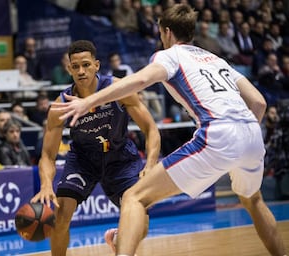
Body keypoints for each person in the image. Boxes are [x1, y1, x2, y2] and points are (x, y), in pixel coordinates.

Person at [52, 4, 287, 256]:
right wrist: (240, 142)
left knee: (134, 197)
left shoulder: (169, 55)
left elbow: (141, 80)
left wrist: (89, 101)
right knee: (254, 200)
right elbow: (259, 102)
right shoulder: (216, 59)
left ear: (165, 32)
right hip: (251, 133)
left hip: (218, 133)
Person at [30, 40, 160, 256]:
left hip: (121, 159)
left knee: (142, 224)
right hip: (83, 160)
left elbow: (151, 129)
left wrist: (151, 163)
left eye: (86, 65)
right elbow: (47, 155)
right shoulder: (60, 105)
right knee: (61, 215)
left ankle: (120, 239)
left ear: (97, 65)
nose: (81, 71)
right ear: (69, 69)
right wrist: (45, 185)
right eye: (76, 66)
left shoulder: (119, 88)